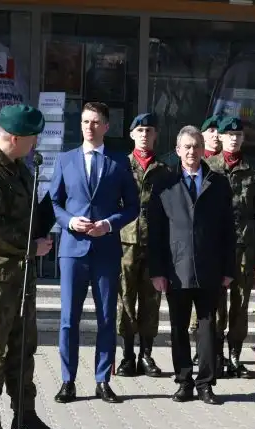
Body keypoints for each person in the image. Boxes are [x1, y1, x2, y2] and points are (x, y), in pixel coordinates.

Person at [0, 104, 65, 429]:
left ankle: (26, 417)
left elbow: (26, 218)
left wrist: (55, 208)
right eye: (33, 137)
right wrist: (30, 246)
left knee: (23, 350)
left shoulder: (19, 170)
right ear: (15, 137)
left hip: (20, 277)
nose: (36, 143)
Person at [50, 102, 140, 404]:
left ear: (106, 127)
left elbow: (132, 206)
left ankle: (103, 380)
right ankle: (67, 380)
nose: (89, 127)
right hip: (72, 250)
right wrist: (69, 221)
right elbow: (54, 203)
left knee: (105, 317)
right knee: (68, 319)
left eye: (96, 122)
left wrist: (109, 224)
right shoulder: (65, 160)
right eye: (86, 121)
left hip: (105, 250)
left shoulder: (118, 163)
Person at [148, 125, 236, 405]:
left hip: (210, 267)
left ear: (204, 149)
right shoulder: (164, 183)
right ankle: (184, 381)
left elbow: (228, 231)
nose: (191, 152)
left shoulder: (218, 183)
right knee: (178, 327)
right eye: (186, 147)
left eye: (196, 146)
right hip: (177, 268)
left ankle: (206, 384)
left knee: (209, 327)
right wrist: (157, 270)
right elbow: (156, 231)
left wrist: (228, 269)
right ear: (177, 151)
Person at [206, 116, 255, 378]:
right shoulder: (208, 166)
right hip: (215, 247)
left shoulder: (253, 169)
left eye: (238, 135)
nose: (233, 139)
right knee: (216, 303)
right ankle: (216, 355)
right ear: (219, 137)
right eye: (229, 135)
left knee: (240, 305)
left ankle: (234, 356)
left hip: (244, 246)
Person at [115, 113, 171, 378]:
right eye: (139, 130)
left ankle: (146, 354)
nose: (144, 135)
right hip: (125, 241)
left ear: (156, 135)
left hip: (154, 242)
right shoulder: (119, 166)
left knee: (151, 300)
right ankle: (126, 355)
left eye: (149, 130)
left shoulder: (165, 169)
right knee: (125, 298)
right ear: (131, 134)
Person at [189, 114, 223, 343]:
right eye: (210, 130)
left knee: (214, 307)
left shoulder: (218, 173)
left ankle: (216, 351)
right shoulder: (187, 169)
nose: (216, 135)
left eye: (217, 131)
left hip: (214, 246)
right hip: (187, 249)